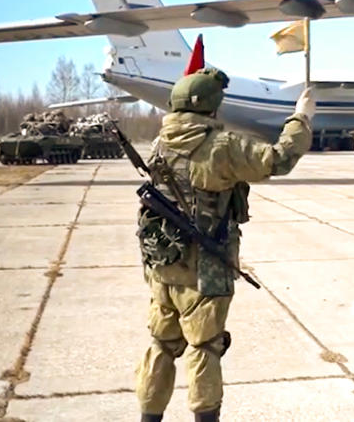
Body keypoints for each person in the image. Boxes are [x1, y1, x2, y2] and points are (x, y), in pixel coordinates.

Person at [134, 67, 314, 422]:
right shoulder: (222, 147)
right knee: (204, 347)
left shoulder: (159, 143)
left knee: (162, 346)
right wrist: (301, 119)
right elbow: (278, 159)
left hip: (163, 265)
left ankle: (149, 417)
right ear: (212, 107)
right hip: (206, 268)